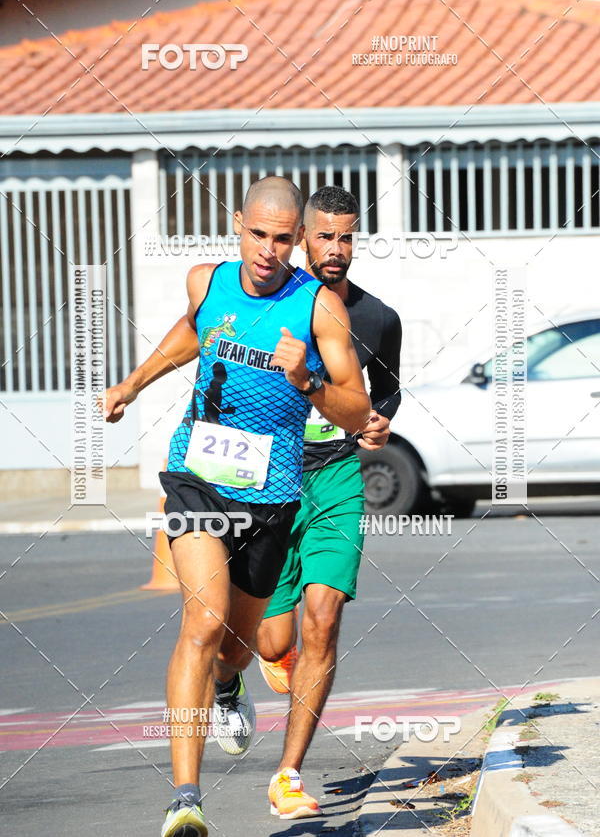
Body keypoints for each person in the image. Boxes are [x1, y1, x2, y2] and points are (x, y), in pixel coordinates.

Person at [104, 176, 370, 837]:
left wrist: (306, 380)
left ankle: (228, 684)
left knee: (240, 648)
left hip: (273, 498)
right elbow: (189, 335)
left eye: (282, 239)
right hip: (197, 477)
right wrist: (132, 385)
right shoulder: (208, 281)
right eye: (258, 235)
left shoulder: (319, 310)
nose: (268, 251)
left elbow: (357, 410)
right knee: (203, 620)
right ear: (237, 225)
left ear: (298, 239)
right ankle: (185, 798)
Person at [257, 185, 402, 819]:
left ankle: (288, 774)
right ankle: (241, 669)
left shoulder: (377, 318)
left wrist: (381, 420)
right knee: (270, 642)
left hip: (338, 477)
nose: (336, 249)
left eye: (346, 237)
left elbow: (387, 389)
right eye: (324, 236)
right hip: (272, 480)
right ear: (302, 238)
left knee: (324, 617)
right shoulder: (267, 303)